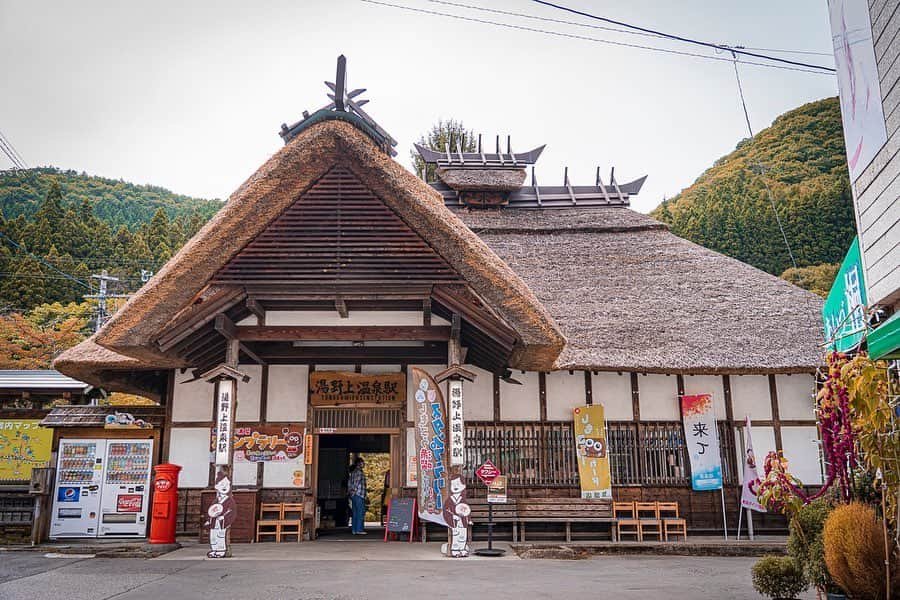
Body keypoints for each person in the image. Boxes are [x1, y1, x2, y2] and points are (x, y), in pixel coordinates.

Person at [348, 457, 367, 535]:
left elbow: (349, 483)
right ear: (359, 463)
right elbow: (357, 483)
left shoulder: (352, 473)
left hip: (353, 495)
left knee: (355, 512)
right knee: (360, 512)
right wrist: (354, 490)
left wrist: (350, 492)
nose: (364, 464)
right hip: (359, 494)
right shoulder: (359, 472)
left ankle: (354, 530)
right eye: (363, 462)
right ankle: (359, 529)